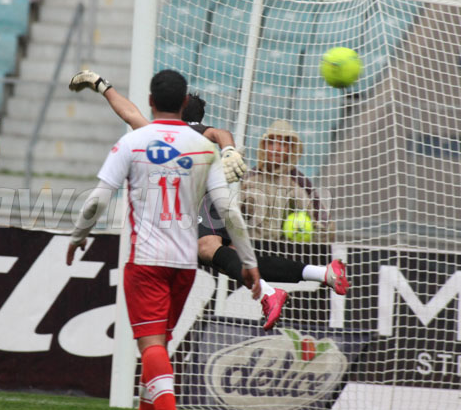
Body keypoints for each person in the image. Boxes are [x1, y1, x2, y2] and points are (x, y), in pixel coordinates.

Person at [66, 69, 287, 410]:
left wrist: (78, 236)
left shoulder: (133, 140)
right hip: (184, 264)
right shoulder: (203, 147)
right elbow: (229, 213)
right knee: (160, 347)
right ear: (185, 103)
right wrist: (248, 261)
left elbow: (98, 200)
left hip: (146, 260)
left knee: (150, 346)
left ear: (151, 101)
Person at [69, 70, 349, 295]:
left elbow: (129, 113)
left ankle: (268, 293)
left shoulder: (162, 133)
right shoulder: (196, 131)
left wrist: (103, 86)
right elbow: (221, 132)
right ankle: (319, 274)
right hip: (209, 203)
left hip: (199, 203)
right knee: (232, 259)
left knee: (206, 249)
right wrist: (228, 150)